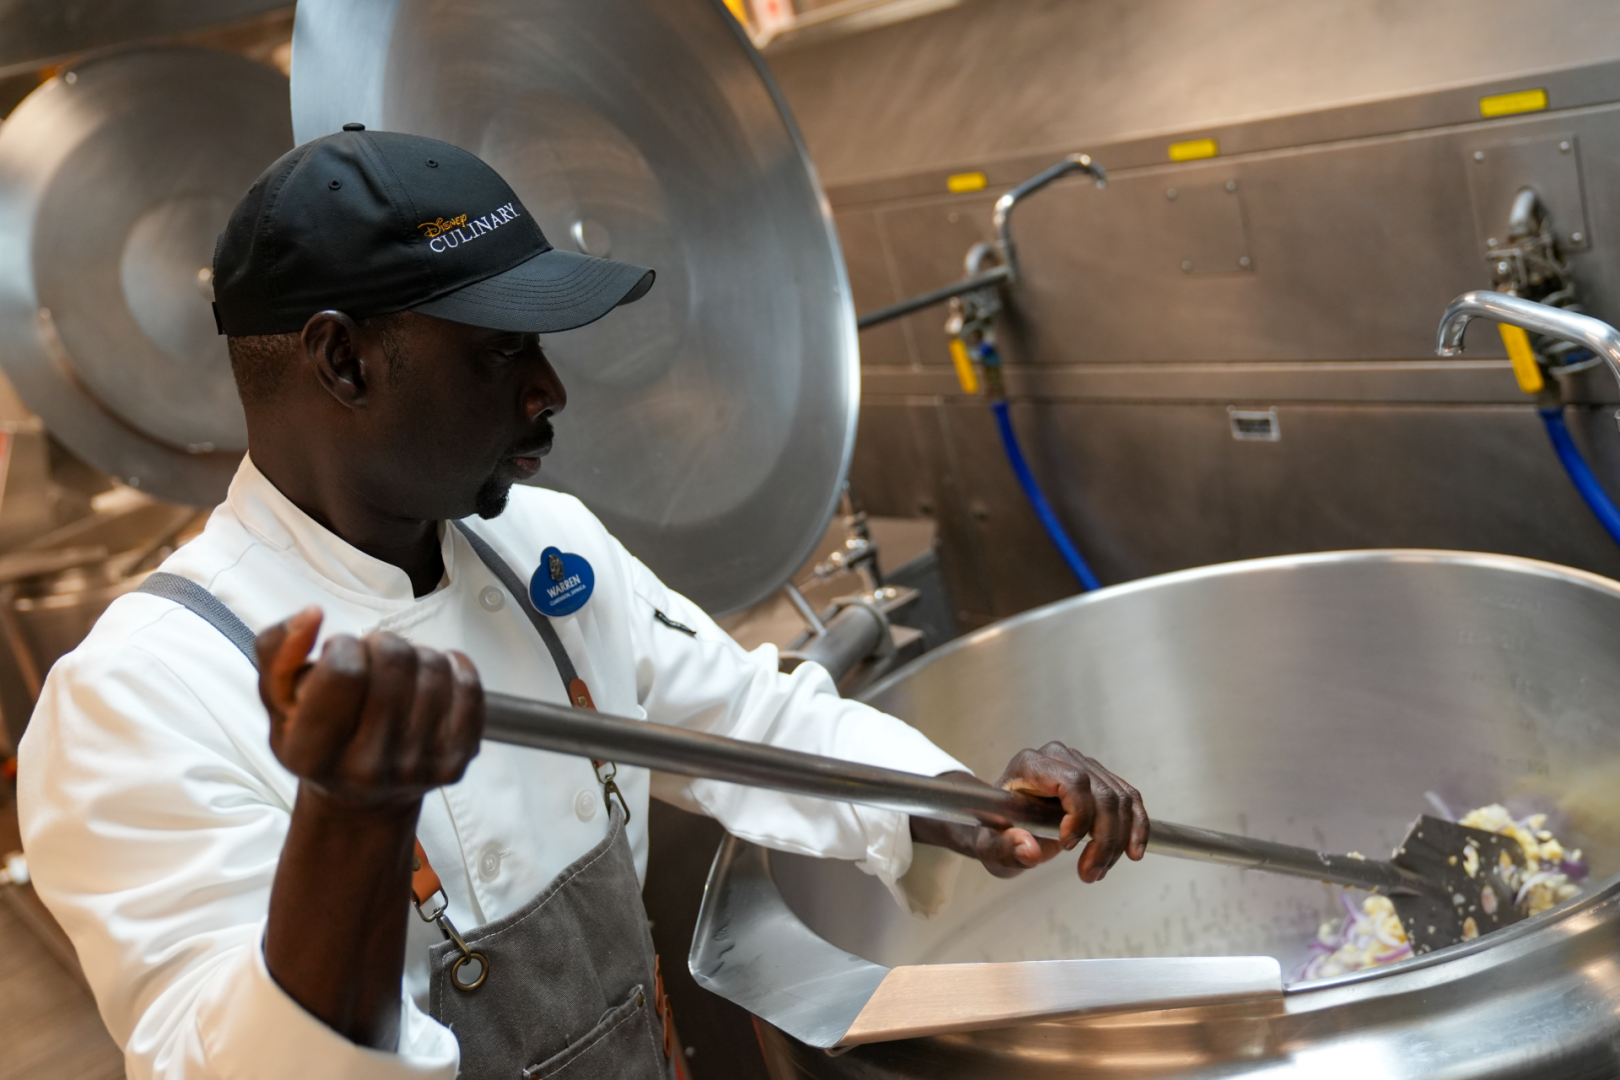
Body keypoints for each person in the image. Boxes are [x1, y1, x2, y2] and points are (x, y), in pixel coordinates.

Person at [16, 126, 1149, 1080]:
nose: (550, 389)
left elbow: (747, 720)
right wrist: (354, 817)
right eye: (497, 352)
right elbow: (218, 1061)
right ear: (344, 362)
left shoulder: (539, 544)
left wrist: (953, 803)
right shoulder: (140, 696)